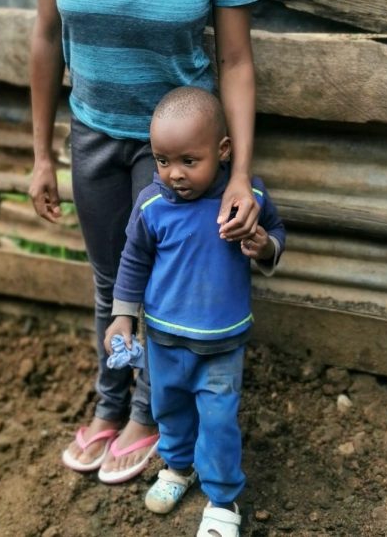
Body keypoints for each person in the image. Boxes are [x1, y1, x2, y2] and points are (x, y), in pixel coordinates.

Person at [28, 0, 261, 484]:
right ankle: (110, 401)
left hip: (176, 156)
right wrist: (40, 151)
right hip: (95, 133)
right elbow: (42, 40)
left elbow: (234, 63)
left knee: (155, 286)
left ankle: (147, 417)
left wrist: (241, 174)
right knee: (109, 286)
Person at [104, 87, 286, 537]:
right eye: (163, 161)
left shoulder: (245, 200)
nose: (174, 174)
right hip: (164, 339)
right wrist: (123, 315)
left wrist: (264, 245)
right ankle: (178, 468)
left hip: (221, 344)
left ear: (223, 151)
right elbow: (133, 261)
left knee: (219, 420)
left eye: (189, 160)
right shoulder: (151, 204)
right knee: (170, 408)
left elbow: (276, 230)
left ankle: (223, 500)